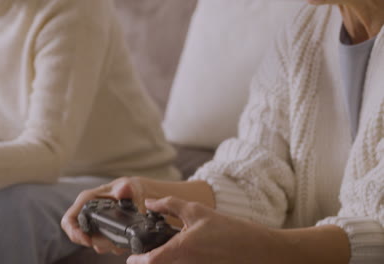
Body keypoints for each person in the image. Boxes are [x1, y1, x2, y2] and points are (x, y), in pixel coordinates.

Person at [62, 0, 384, 263]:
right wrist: (146, 195)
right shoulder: (304, 30)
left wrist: (255, 247)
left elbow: (379, 232)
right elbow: (255, 177)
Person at [0, 0, 181, 263]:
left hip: (122, 181)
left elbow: (48, 151)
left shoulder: (74, 8)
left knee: (12, 211)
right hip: (25, 165)